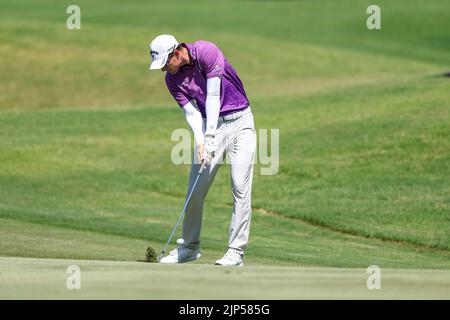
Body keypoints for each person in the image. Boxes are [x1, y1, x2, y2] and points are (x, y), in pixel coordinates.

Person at [149, 34, 256, 266]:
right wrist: (201, 141)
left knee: (240, 186)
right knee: (195, 190)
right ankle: (189, 247)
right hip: (211, 124)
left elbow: (214, 95)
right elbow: (192, 113)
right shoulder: (171, 79)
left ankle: (235, 251)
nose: (164, 70)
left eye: (165, 63)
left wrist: (210, 137)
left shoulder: (206, 51)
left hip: (241, 122)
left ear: (176, 53)